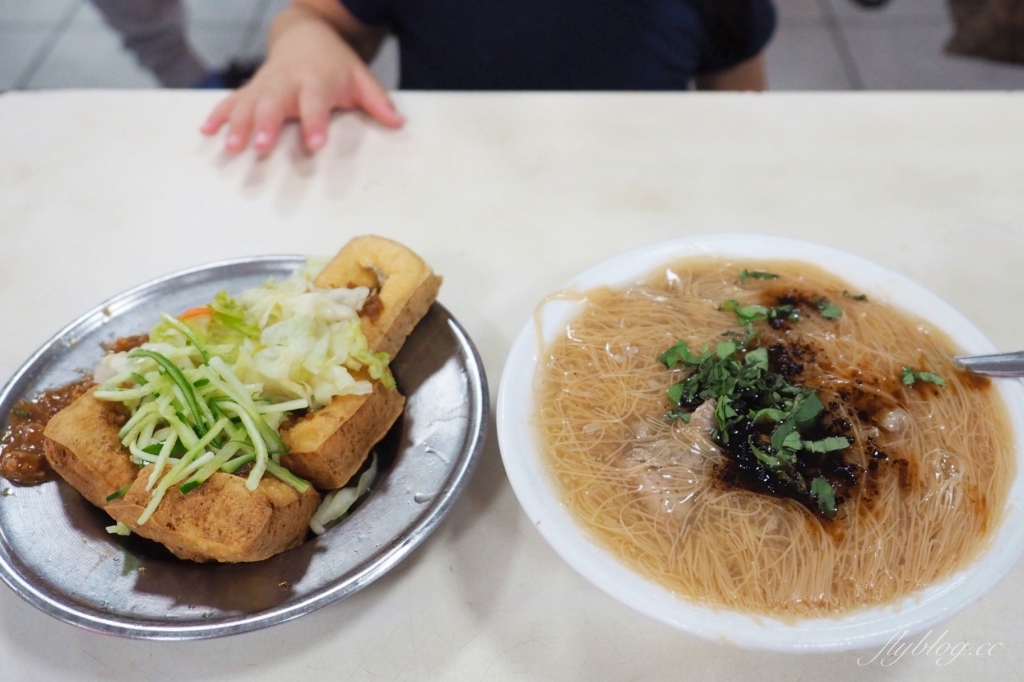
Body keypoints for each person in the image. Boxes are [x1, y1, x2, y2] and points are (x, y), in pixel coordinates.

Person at [202, 0, 776, 155]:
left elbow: (743, 114)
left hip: (641, 198)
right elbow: (315, 16)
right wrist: (304, 45)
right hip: (450, 182)